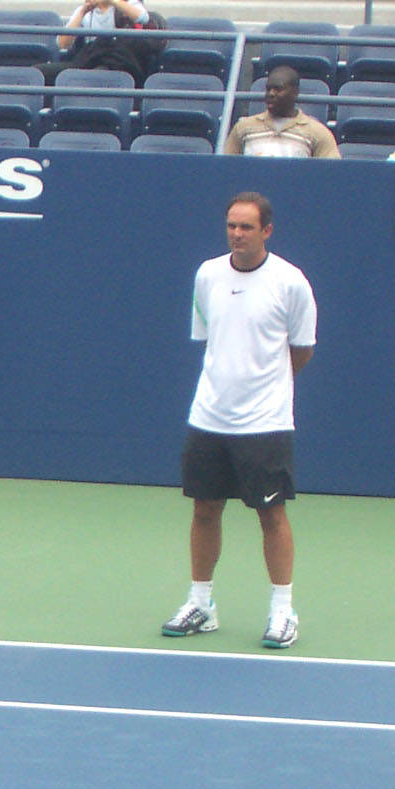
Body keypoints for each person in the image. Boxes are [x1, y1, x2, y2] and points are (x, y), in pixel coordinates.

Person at [163, 192, 316, 651]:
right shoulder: (208, 274)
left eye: (246, 227)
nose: (236, 234)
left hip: (265, 422)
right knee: (205, 509)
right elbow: (209, 337)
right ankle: (201, 604)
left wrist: (267, 389)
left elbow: (301, 350)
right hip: (208, 416)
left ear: (266, 231)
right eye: (231, 225)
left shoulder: (291, 282)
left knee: (271, 514)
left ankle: (282, 611)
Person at [40, 0, 163, 84]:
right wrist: (83, 11)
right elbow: (62, 43)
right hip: (88, 62)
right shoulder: (84, 11)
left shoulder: (128, 3)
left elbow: (143, 17)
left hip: (119, 65)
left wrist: (111, 0)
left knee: (99, 74)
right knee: (40, 72)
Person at [221, 65, 339, 158]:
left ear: (295, 92)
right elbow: (228, 168)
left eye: (278, 89)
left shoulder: (317, 132)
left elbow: (330, 172)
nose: (271, 94)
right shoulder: (243, 128)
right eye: (268, 89)